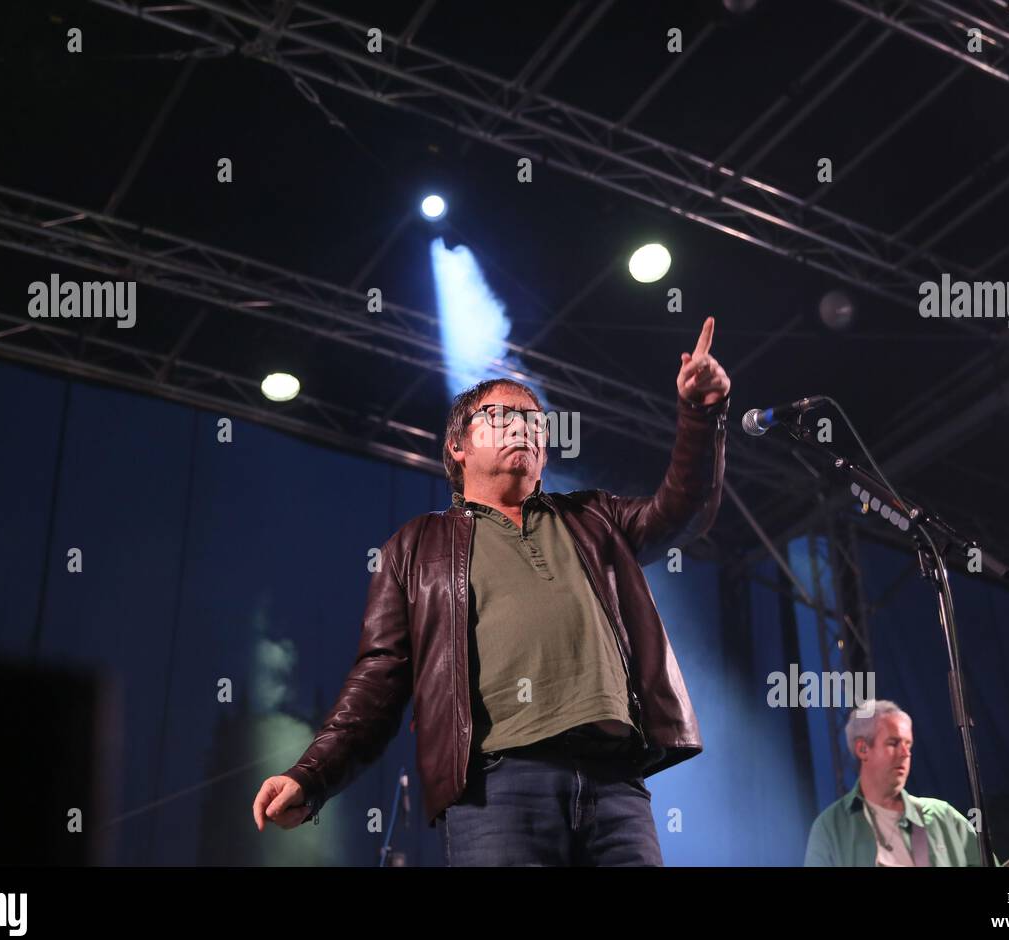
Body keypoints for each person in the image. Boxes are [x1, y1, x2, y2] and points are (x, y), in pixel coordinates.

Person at [253, 316, 732, 865]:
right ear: (458, 445)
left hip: (617, 786)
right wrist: (311, 777)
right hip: (496, 791)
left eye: (534, 421)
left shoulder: (594, 516)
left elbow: (682, 510)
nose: (522, 427)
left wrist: (701, 413)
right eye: (501, 415)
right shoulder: (415, 547)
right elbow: (378, 679)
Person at [804, 700, 1009, 867]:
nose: (905, 753)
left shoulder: (942, 816)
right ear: (863, 748)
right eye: (893, 743)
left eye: (908, 744)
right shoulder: (831, 827)